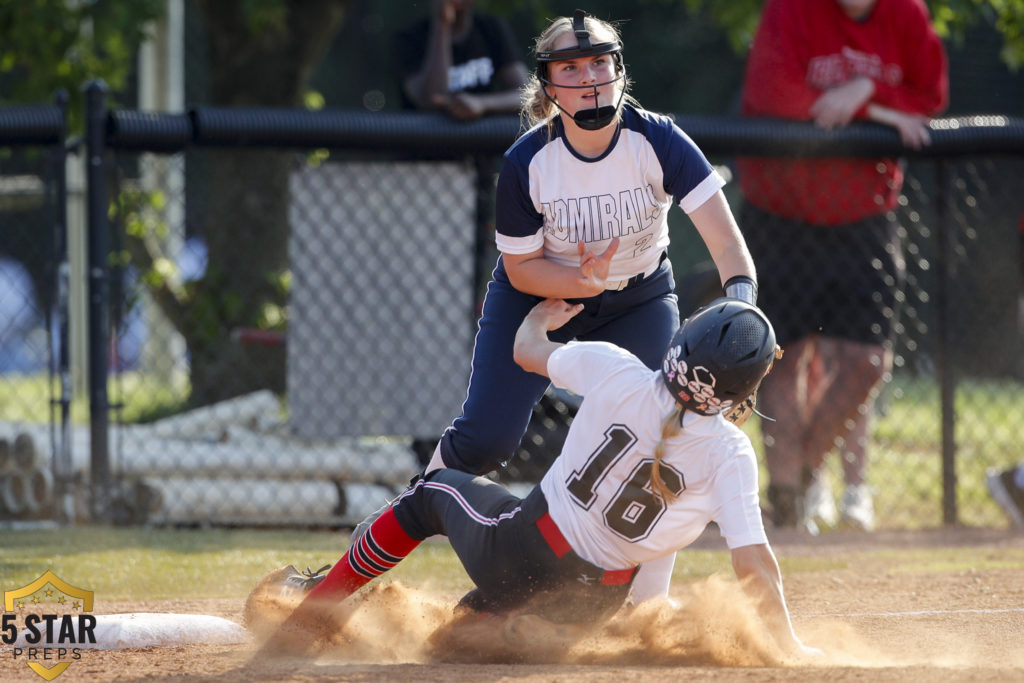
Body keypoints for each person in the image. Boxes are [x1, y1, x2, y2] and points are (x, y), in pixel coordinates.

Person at [362, 9, 760, 605]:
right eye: (570, 67)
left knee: (668, 433)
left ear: (619, 69)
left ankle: (643, 606)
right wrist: (585, 282)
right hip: (537, 297)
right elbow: (522, 267)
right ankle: (383, 540)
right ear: (548, 85)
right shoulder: (528, 161)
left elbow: (730, 250)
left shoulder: (659, 140)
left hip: (641, 297)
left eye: (599, 61)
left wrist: (744, 312)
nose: (590, 78)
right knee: (485, 441)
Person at [254, 298, 819, 660]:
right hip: (596, 600)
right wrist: (787, 645)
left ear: (681, 342)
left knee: (430, 493)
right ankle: (502, 623)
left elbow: (526, 352)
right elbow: (752, 564)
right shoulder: (732, 455)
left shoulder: (617, 370)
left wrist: (537, 314)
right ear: (741, 393)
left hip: (525, 548)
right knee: (465, 628)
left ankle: (310, 615)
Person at [736, 0, 948, 532]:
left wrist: (864, 89)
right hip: (780, 210)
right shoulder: (790, 10)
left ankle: (807, 470)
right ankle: (785, 503)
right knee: (782, 359)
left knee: (869, 361)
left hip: (863, 213)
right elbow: (772, 94)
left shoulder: (906, 15)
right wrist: (871, 105)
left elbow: (931, 96)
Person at [395, 0, 529, 120]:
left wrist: (482, 104)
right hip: (427, 142)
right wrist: (442, 25)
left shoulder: (491, 28)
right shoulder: (408, 39)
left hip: (482, 140)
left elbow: (526, 96)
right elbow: (431, 100)